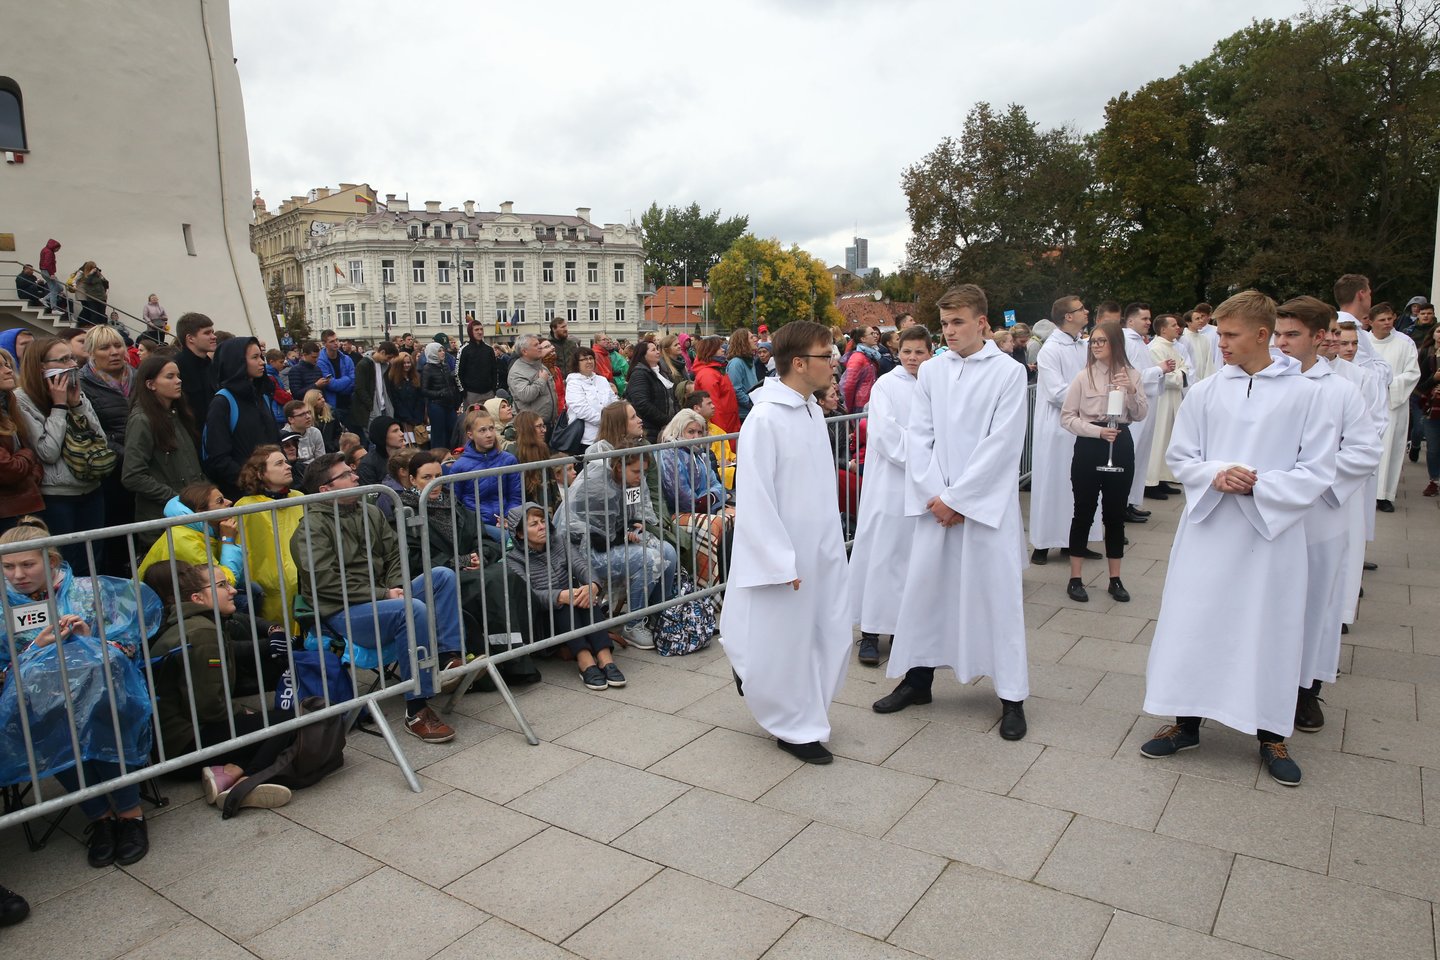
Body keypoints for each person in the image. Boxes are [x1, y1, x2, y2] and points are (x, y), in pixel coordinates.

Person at [1140, 291, 1338, 786]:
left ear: (1262, 335)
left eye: (1230, 335)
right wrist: (1216, 474)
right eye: (1220, 334)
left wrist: (1259, 485)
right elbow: (1181, 455)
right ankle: (1186, 723)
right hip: (1209, 529)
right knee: (1196, 621)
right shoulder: (1208, 390)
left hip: (1270, 534)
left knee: (1269, 627)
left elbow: (1318, 469)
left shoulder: (1307, 394)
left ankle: (1271, 733)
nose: (1221, 343)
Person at [875, 285, 1030, 742]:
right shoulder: (933, 372)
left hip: (984, 509)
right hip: (936, 504)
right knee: (926, 591)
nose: (949, 331)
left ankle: (1012, 696)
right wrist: (936, 497)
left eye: (957, 322)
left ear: (981, 322)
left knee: (996, 597)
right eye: (944, 323)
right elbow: (919, 437)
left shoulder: (1007, 372)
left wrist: (960, 500)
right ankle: (918, 680)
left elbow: (1003, 444)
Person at [719, 320, 849, 763]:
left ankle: (808, 709)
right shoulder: (766, 418)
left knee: (826, 631)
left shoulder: (811, 409)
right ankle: (792, 726)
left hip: (820, 544)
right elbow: (756, 495)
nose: (833, 363)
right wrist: (778, 559)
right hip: (786, 554)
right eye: (825, 356)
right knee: (785, 641)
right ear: (799, 363)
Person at [1, 517, 158, 866]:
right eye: (8, 566)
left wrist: (90, 641)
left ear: (51, 561)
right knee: (50, 734)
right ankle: (100, 817)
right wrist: (34, 650)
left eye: (27, 564)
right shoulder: (2, 607)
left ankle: (130, 815)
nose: (17, 575)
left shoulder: (90, 592)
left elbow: (129, 644)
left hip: (103, 693)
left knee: (104, 720)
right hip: (41, 707)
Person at [294, 454, 461, 743]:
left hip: (384, 598)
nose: (356, 476)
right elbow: (325, 582)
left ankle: (447, 660)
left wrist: (395, 587)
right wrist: (384, 594)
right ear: (325, 489)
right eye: (346, 475)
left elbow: (395, 553)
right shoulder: (310, 528)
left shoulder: (369, 511)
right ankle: (416, 710)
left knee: (442, 576)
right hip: (344, 612)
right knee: (412, 609)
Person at [1272, 296, 1382, 733]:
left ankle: (1306, 690)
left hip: (1320, 513)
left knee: (1316, 602)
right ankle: (1265, 682)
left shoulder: (1340, 390)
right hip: (1270, 508)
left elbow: (1364, 450)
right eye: (1277, 334)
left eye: (1292, 334)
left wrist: (1312, 480)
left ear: (1320, 337)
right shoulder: (1265, 382)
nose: (1281, 343)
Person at [143, 561, 295, 811]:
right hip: (184, 747)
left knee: (276, 725)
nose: (233, 590)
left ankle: (229, 771)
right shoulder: (202, 632)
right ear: (197, 598)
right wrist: (243, 713)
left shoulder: (196, 623)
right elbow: (209, 706)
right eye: (222, 585)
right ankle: (246, 784)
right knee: (288, 722)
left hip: (175, 743)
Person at [849, 325, 933, 665]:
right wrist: (924, 451)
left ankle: (901, 628)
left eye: (920, 352)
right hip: (889, 482)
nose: (913, 358)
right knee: (881, 554)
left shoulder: (935, 385)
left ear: (930, 353)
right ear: (898, 353)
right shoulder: (886, 385)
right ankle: (870, 631)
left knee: (911, 557)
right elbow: (884, 432)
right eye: (907, 351)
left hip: (922, 484)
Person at [556, 447, 677, 650]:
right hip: (585, 552)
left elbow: (631, 516)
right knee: (650, 559)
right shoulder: (597, 488)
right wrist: (623, 536)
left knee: (668, 552)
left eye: (644, 472)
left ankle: (658, 615)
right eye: (636, 472)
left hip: (613, 540)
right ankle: (633, 625)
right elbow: (595, 538)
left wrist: (633, 527)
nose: (641, 477)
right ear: (620, 467)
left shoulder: (630, 483)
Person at [1061, 321, 1148, 603]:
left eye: (1102, 341)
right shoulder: (1083, 377)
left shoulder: (1132, 375)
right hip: (1090, 444)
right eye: (1093, 342)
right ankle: (1075, 577)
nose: (1096, 346)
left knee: (1115, 513)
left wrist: (1130, 391)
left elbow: (1140, 414)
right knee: (1083, 511)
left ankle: (1115, 578)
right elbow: (1067, 417)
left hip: (1120, 442)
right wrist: (1096, 432)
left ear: (1115, 343)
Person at [506, 501, 624, 690]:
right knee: (566, 603)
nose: (542, 527)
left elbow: (582, 566)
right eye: (534, 524)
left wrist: (592, 586)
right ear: (519, 533)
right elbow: (528, 595)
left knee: (585, 597)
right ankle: (585, 661)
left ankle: (605, 658)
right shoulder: (514, 559)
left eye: (543, 521)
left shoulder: (559, 541)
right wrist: (560, 596)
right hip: (544, 620)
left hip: (574, 604)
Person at [14, 336, 107, 569]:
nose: (73, 364)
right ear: (41, 366)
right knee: (66, 563)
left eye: (72, 358)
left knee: (93, 561)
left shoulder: (76, 391)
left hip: (91, 489)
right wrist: (59, 406)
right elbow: (47, 452)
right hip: (57, 496)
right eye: (63, 359)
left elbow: (100, 441)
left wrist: (77, 405)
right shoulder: (21, 400)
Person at [1029, 296, 1093, 565]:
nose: (1086, 311)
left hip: (1082, 423)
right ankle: (1043, 543)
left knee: (1080, 485)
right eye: (1081, 309)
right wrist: (1093, 395)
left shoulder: (1083, 345)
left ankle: (1074, 542)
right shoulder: (1050, 350)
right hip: (1057, 427)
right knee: (1053, 483)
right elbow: (1056, 392)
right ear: (1068, 316)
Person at [123, 354, 205, 550]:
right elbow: (132, 475)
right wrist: (175, 497)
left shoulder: (177, 415)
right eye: (170, 377)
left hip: (188, 516)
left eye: (178, 376)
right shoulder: (142, 420)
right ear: (150, 384)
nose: (178, 381)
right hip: (161, 522)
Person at [78, 325, 135, 573]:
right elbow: (93, 434)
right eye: (104, 348)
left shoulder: (138, 376)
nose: (114, 352)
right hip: (112, 473)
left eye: (118, 345)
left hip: (145, 468)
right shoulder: (82, 384)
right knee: (117, 541)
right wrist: (130, 457)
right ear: (91, 352)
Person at [657, 409, 733, 590]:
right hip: (675, 514)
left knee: (738, 516)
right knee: (714, 524)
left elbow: (718, 486)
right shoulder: (668, 453)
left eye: (699, 432)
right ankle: (709, 590)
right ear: (678, 430)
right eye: (691, 432)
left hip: (702, 509)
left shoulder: (700, 454)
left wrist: (708, 498)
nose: (696, 437)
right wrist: (709, 498)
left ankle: (730, 582)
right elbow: (682, 498)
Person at [232, 445, 305, 626]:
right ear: (260, 473)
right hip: (270, 588)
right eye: (279, 463)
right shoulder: (245, 507)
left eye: (286, 462)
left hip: (304, 582)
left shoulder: (299, 497)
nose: (288, 466)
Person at [202, 337, 282, 501]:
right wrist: (251, 481)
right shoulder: (222, 402)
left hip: (272, 488)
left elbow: (274, 439)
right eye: (255, 357)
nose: (262, 362)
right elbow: (219, 457)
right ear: (237, 362)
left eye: (261, 356)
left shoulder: (262, 396)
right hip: (243, 494)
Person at [1365, 300, 1420, 512]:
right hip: (1366, 405)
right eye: (1382, 320)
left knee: (1390, 449)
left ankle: (1385, 495)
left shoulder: (1405, 343)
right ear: (1371, 322)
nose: (1387, 323)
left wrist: (1389, 384)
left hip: (1393, 404)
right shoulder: (1363, 342)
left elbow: (1412, 373)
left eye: (1390, 318)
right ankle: (1364, 492)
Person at [447, 406, 521, 543]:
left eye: (491, 428)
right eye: (482, 430)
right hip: (476, 525)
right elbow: (455, 503)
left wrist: (508, 518)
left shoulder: (508, 459)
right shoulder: (459, 466)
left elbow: (515, 496)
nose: (489, 434)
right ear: (470, 435)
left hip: (507, 521)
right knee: (508, 540)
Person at [1119, 302, 1166, 514]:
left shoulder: (1140, 342)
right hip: (1134, 406)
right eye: (1144, 318)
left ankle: (1131, 501)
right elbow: (1133, 376)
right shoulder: (1128, 342)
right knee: (1133, 454)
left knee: (1141, 455)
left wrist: (1159, 371)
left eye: (1149, 318)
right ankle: (1123, 503)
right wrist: (1159, 369)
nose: (1149, 322)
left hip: (1146, 404)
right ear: (1130, 321)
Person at [1143, 314, 1189, 498]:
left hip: (1173, 399)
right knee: (1158, 440)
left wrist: (1179, 373)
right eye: (1173, 325)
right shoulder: (1155, 348)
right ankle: (1149, 483)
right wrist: (1179, 374)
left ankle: (1162, 478)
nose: (1178, 328)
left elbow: (1186, 368)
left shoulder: (1173, 348)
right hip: (1161, 401)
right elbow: (1164, 377)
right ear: (1163, 329)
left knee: (1168, 440)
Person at [0, 346, 44, 531]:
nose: (9, 370)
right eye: (0, 367)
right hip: (6, 513)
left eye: (7, 365)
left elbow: (35, 462)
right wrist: (28, 455)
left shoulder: (9, 405)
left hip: (24, 505)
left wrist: (31, 478)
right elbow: (8, 469)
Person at [684, 389, 737, 491]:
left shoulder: (716, 429)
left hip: (728, 470)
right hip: (714, 475)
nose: (713, 406)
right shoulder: (687, 432)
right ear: (696, 408)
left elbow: (729, 453)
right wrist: (718, 463)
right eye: (709, 404)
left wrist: (734, 458)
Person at [565, 348, 618, 447]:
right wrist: (605, 421)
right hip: (587, 438)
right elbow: (581, 410)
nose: (589, 361)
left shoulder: (602, 380)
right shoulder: (573, 383)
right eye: (584, 359)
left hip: (609, 435)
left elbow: (614, 401)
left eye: (591, 358)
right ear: (577, 363)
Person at [625, 339, 677, 441]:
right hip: (649, 429)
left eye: (657, 349)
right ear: (643, 355)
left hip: (665, 427)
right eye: (653, 350)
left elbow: (672, 398)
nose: (657, 352)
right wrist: (666, 420)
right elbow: (642, 404)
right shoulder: (639, 374)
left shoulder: (662, 372)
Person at [691, 336, 740, 435]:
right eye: (719, 348)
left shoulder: (717, 370)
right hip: (722, 427)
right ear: (710, 351)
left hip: (729, 423)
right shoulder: (708, 374)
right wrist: (720, 434)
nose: (723, 350)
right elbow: (713, 408)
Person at [174, 312, 218, 419]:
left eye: (213, 332)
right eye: (207, 333)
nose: (214, 336)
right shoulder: (176, 367)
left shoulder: (211, 365)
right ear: (190, 338)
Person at [507, 334, 558, 427]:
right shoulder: (517, 371)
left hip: (548, 424)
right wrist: (541, 380)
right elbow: (525, 395)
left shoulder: (541, 366)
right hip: (531, 426)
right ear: (524, 351)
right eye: (535, 345)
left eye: (539, 343)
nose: (540, 347)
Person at [420, 341, 461, 449]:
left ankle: (452, 452)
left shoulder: (445, 366)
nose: (443, 353)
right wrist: (440, 393)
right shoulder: (427, 368)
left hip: (449, 404)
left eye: (443, 350)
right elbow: (424, 390)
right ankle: (438, 455)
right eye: (439, 351)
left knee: (453, 430)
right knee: (439, 433)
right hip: (436, 405)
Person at [352, 340, 397, 432]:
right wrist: (371, 406)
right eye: (388, 357)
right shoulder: (363, 365)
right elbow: (360, 388)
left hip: (385, 407)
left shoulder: (385, 366)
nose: (388, 360)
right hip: (370, 410)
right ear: (382, 352)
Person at [315, 329, 356, 430]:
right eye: (332, 341)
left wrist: (342, 385)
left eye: (337, 340)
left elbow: (353, 380)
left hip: (349, 403)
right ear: (324, 343)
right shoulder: (321, 362)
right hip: (332, 405)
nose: (336, 343)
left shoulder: (346, 359)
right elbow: (331, 385)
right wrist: (347, 379)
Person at [458, 322, 499, 410]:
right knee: (473, 417)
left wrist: (494, 389)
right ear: (470, 332)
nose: (480, 332)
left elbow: (494, 370)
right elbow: (458, 372)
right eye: (476, 330)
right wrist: (463, 392)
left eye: (481, 329)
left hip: (489, 393)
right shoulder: (464, 350)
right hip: (471, 394)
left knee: (489, 416)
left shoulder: (489, 349)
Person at [841, 325, 881, 413]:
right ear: (863, 339)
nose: (875, 336)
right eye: (872, 334)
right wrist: (849, 407)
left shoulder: (870, 355)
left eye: (875, 333)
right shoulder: (857, 357)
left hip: (870, 402)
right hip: (860, 406)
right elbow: (849, 385)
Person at [358, 416, 407, 487]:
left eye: (400, 430)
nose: (402, 434)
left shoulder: (406, 456)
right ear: (382, 435)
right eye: (395, 431)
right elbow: (370, 492)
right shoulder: (367, 465)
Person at [1177, 305, 1219, 383]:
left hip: (1204, 379)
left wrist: (1207, 379)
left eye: (1201, 318)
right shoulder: (1183, 339)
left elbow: (1209, 361)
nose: (1201, 321)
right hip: (1189, 380)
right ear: (1188, 322)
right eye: (1197, 319)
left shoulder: (1204, 339)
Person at [725, 328, 759, 421]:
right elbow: (735, 390)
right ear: (743, 342)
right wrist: (751, 403)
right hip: (743, 414)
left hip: (752, 410)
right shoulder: (736, 363)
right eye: (751, 338)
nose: (755, 339)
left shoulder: (749, 360)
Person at [75, 261, 108, 327]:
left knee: (102, 313)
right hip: (92, 297)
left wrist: (101, 276)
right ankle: (94, 326)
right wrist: (91, 273)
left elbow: (106, 283)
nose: (95, 269)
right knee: (93, 313)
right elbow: (88, 282)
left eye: (95, 267)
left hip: (102, 296)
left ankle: (102, 326)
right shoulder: (86, 275)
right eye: (93, 267)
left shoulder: (98, 275)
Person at [37, 238, 64, 313]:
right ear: (54, 247)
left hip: (45, 271)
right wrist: (51, 274)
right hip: (47, 272)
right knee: (54, 290)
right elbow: (47, 264)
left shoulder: (46, 250)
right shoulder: (49, 252)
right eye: (58, 249)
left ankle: (44, 299)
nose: (57, 250)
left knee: (60, 288)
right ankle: (54, 309)